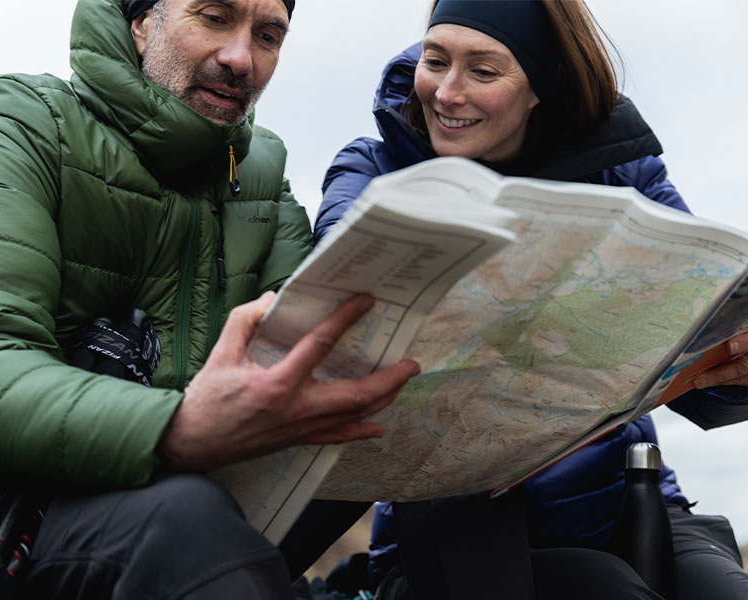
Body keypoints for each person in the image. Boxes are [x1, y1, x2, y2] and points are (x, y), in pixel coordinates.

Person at [0, 0, 421, 598]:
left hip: (215, 520)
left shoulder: (263, 178)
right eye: (214, 17)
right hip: (14, 519)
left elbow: (329, 350)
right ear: (141, 22)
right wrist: (177, 427)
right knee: (187, 518)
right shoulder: (26, 123)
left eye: (269, 35)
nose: (241, 59)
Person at [315, 1, 748, 598]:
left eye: (484, 72)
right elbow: (340, 303)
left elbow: (704, 343)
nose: (446, 91)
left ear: (543, 86)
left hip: (624, 498)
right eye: (435, 60)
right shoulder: (372, 168)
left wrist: (735, 362)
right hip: (455, 524)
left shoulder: (625, 174)